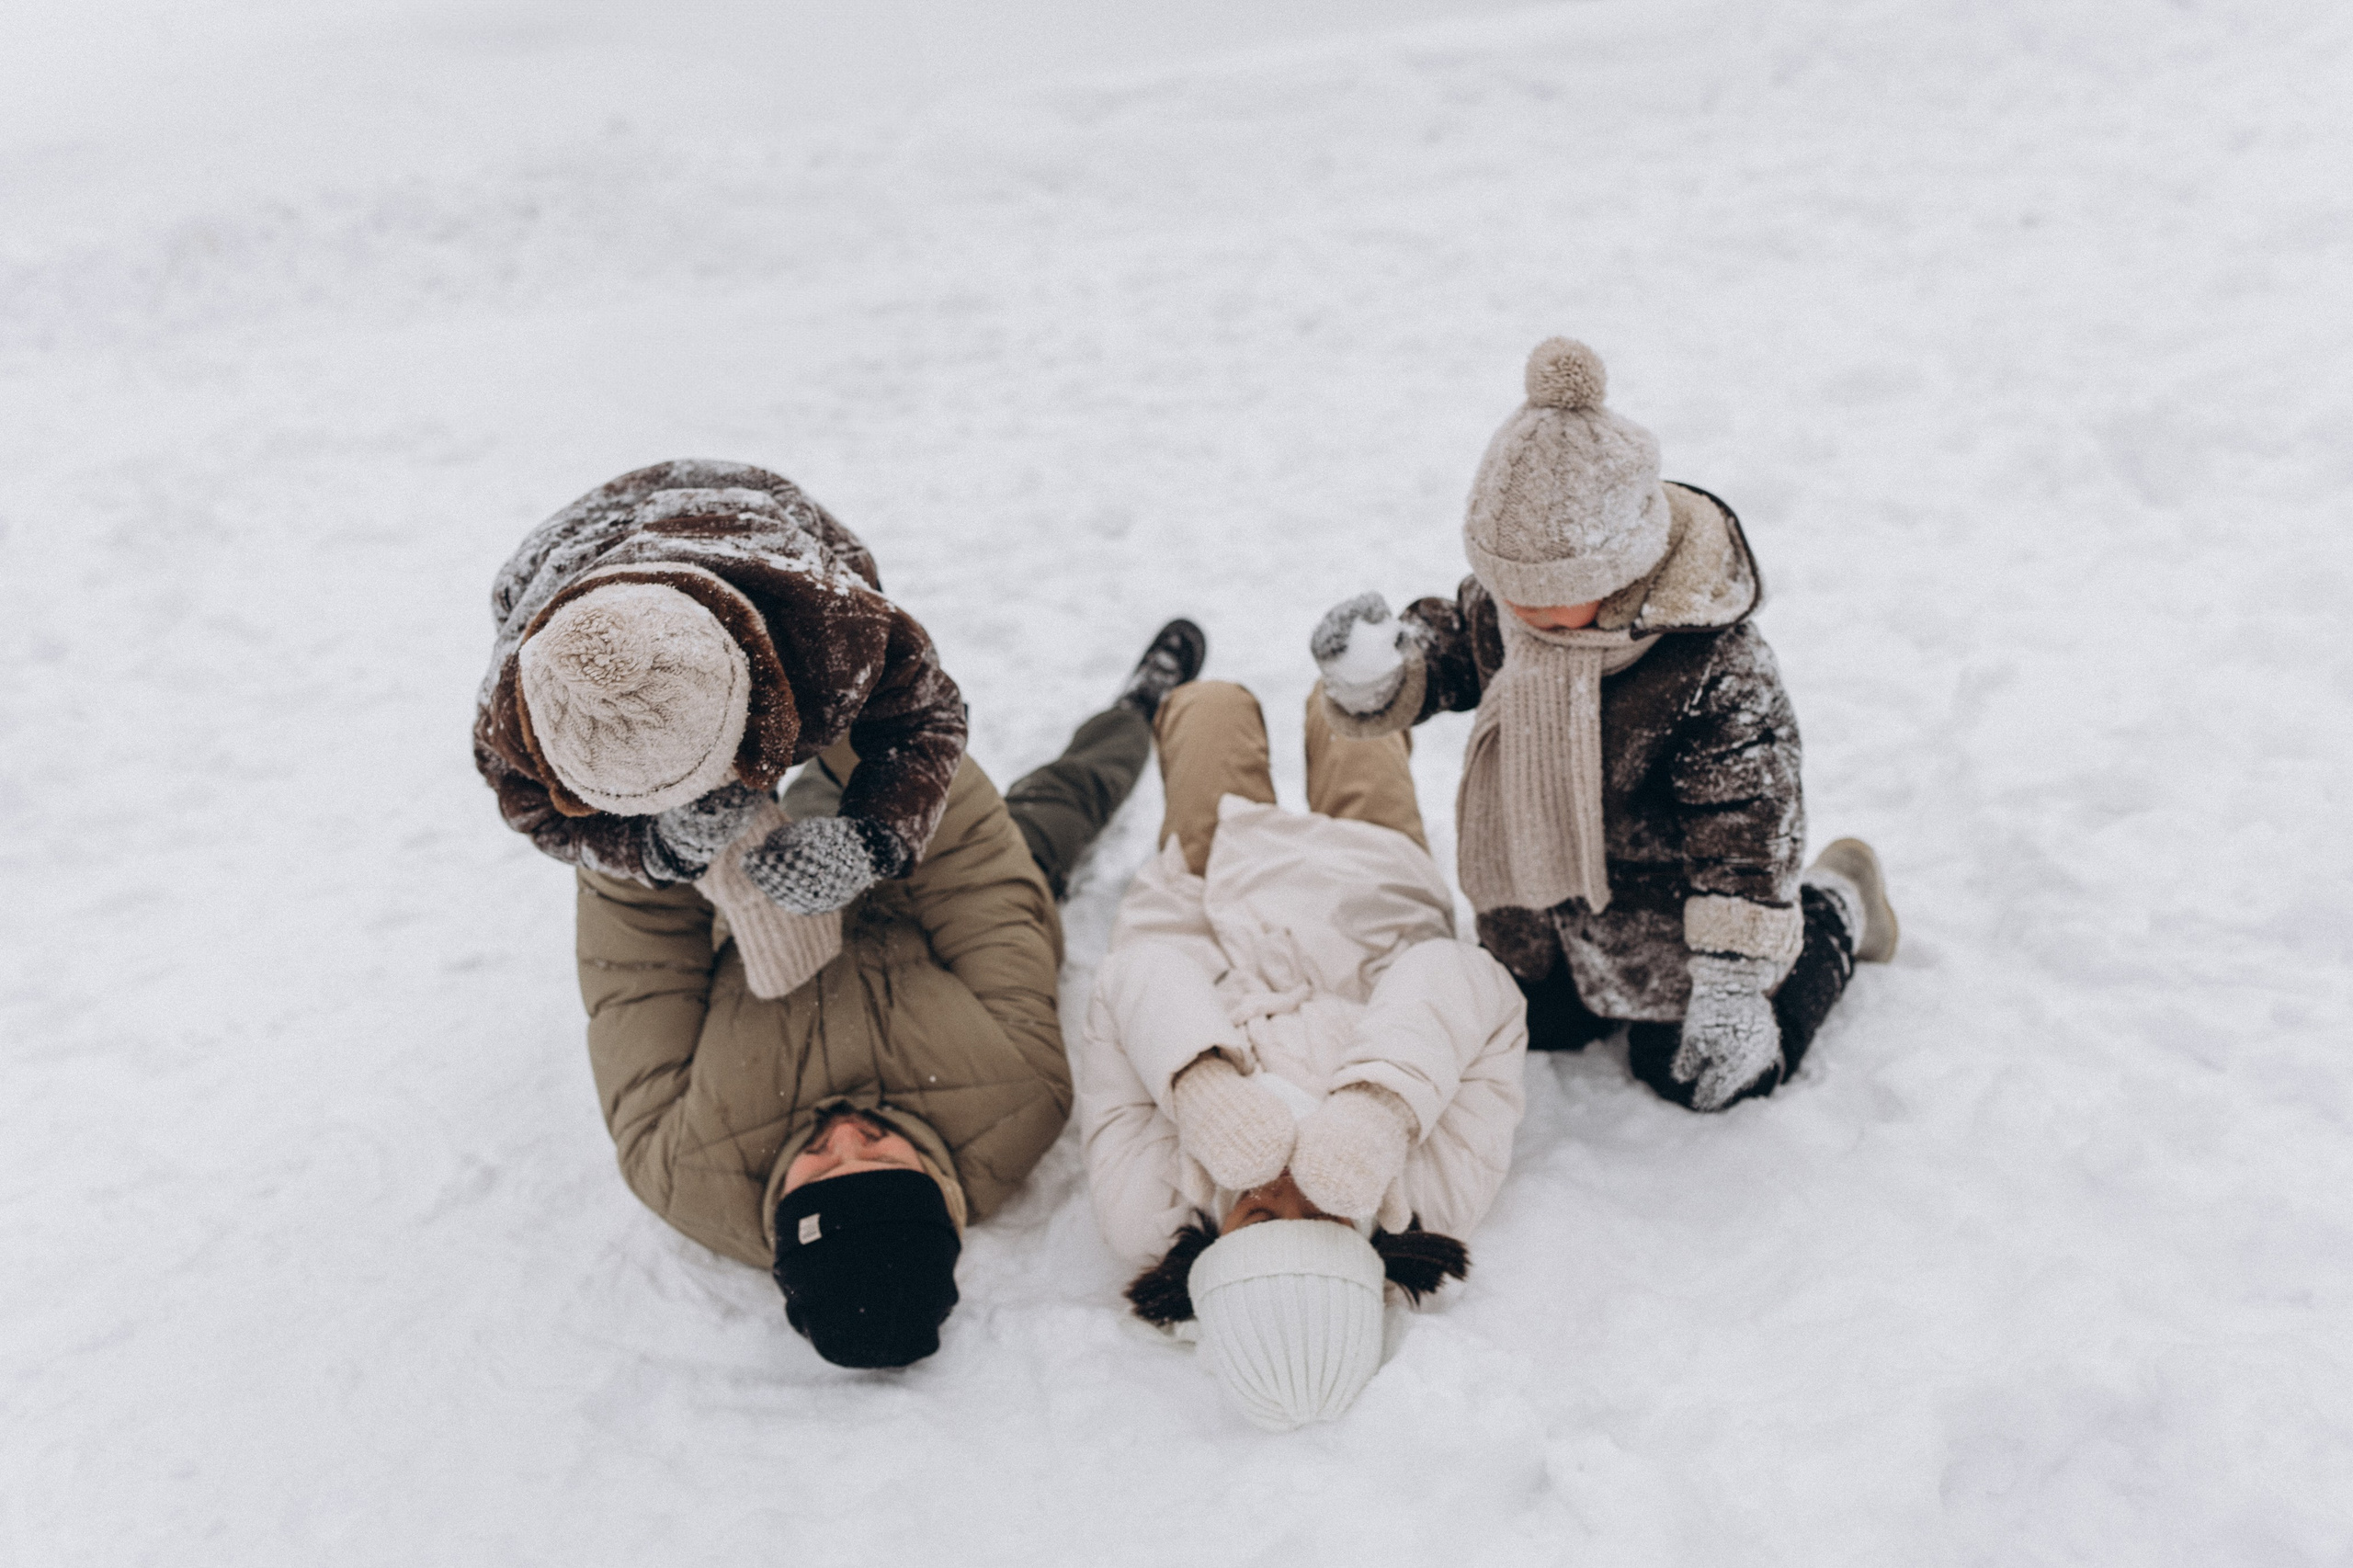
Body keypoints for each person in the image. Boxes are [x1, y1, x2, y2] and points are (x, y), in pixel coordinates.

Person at [570, 616, 1204, 1368]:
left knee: (762, 756)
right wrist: (882, 810)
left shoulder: (678, 1162)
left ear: (779, 1225)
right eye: (878, 1150)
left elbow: (640, 973)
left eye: (819, 1171)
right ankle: (1138, 711)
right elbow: (978, 877)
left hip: (755, 889)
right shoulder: (1016, 1098)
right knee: (1061, 797)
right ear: (936, 1186)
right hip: (935, 884)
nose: (841, 1135)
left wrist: (667, 843)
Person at [1309, 338, 1901, 1114]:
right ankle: (1563, 983)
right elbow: (1458, 644)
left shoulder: (1713, 671)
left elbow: (1748, 834)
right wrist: (1386, 673)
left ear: (1618, 570)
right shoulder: (1518, 608)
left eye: (1543, 596)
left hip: (1669, 933)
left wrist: (1733, 984)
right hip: (1537, 916)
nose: (1518, 613)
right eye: (1503, 587)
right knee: (1532, 1027)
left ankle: (1841, 903)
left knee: (1700, 1080)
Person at [1077, 677, 1528, 1430]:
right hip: (1373, 904)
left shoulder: (1150, 1212)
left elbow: (1127, 989)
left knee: (1208, 707)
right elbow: (1473, 987)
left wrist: (1200, 1085)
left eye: (1256, 1221)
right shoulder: (1432, 1197)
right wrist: (1377, 1111)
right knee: (1351, 703)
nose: (1283, 1191)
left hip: (1205, 906)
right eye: (1319, 1219)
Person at [472, 459, 967, 916]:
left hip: (751, 514)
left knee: (882, 712)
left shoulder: (833, 630)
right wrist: (657, 847)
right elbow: (535, 812)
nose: (708, 793)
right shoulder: (514, 717)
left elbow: (927, 714)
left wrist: (871, 838)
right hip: (555, 556)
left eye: (710, 769)